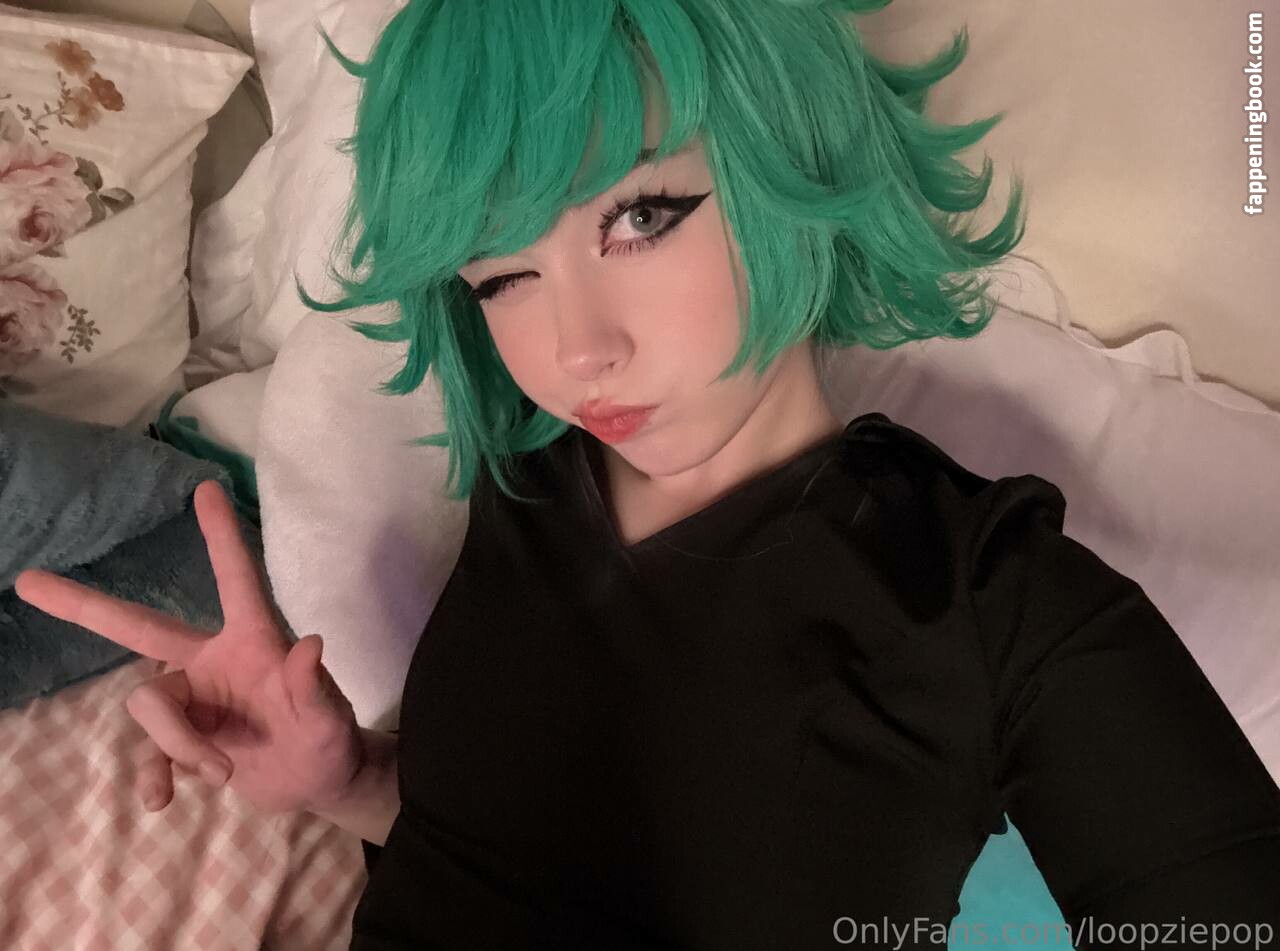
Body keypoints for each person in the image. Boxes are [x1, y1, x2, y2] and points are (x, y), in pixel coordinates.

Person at [15, 0, 1280, 947]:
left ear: (786, 154)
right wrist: (345, 781)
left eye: (638, 217)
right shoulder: (525, 486)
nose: (575, 351)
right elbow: (495, 863)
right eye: (501, 276)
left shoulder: (993, 598)